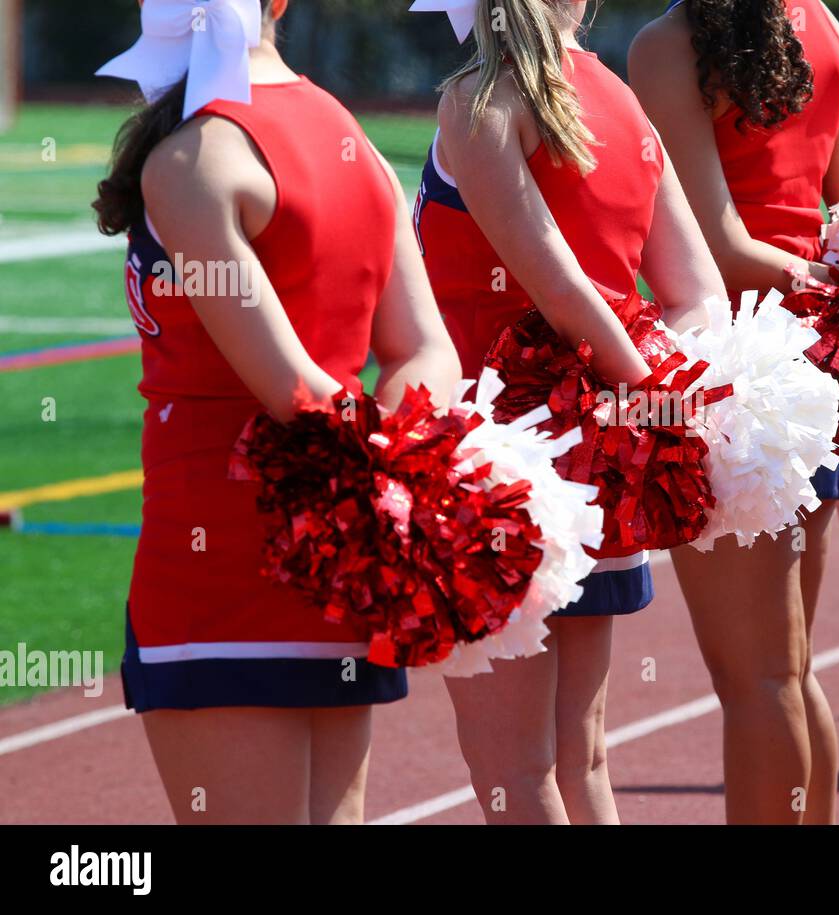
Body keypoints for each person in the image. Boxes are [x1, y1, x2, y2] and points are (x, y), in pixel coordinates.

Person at [93, 0, 461, 824]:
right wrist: (385, 494)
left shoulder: (195, 158)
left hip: (219, 566)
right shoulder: (350, 139)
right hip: (340, 566)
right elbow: (426, 354)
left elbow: (292, 392)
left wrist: (375, 485)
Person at [414, 0, 726, 824]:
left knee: (512, 772)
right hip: (606, 472)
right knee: (578, 758)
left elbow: (560, 293)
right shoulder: (618, 97)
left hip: (498, 475)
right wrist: (657, 407)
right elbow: (701, 299)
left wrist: (638, 393)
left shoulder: (482, 99)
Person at [628, 0, 839, 825]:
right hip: (813, 375)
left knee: (759, 679)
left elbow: (719, 246)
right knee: (789, 671)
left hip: (734, 375)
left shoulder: (667, 45)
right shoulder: (830, 29)